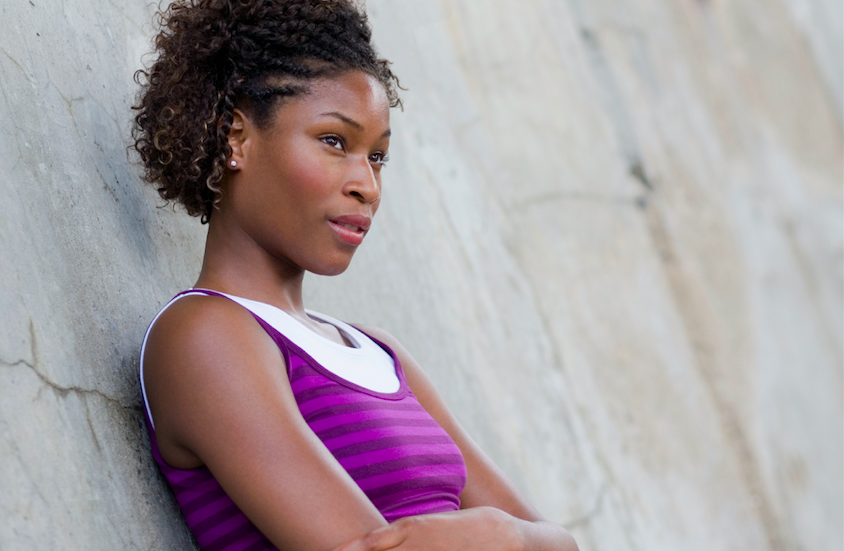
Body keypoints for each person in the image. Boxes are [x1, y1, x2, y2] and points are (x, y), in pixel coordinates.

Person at [133, 1, 579, 550]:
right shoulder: (204, 336)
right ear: (235, 138)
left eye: (378, 157)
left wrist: (505, 534)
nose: (366, 184)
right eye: (334, 142)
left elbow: (556, 538)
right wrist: (505, 536)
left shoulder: (378, 353)